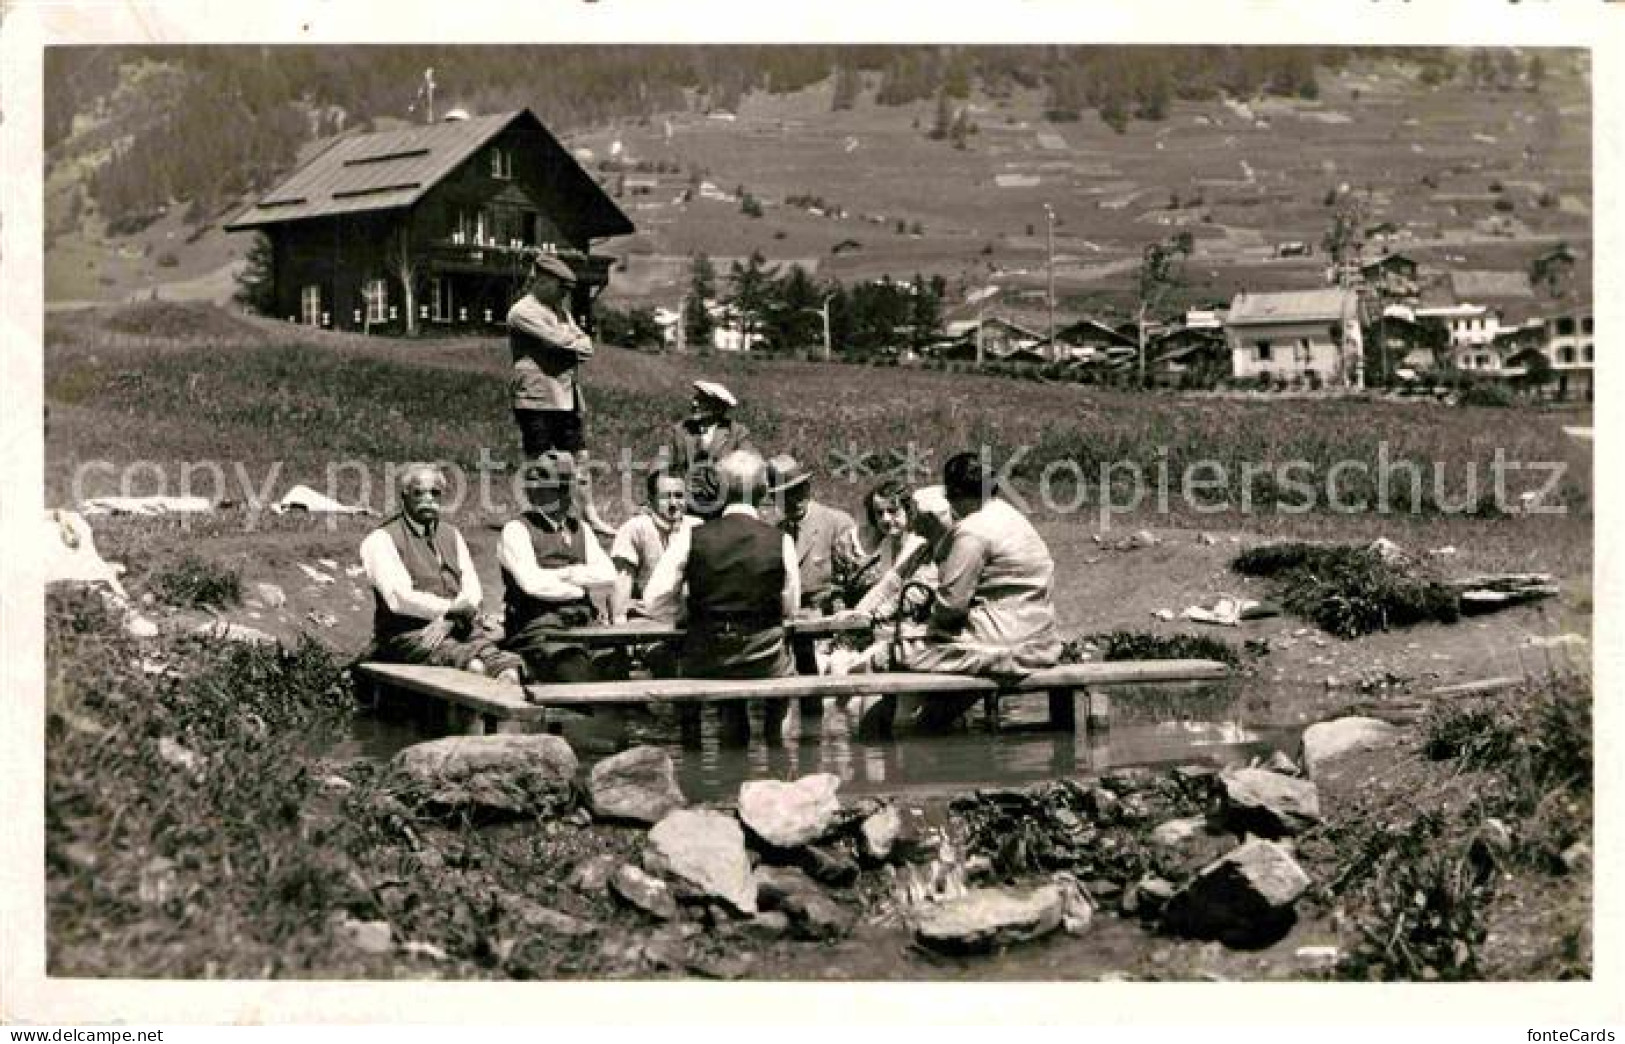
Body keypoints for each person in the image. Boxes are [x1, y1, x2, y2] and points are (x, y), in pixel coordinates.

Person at [849, 452, 1062, 733]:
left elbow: (950, 607)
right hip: (1040, 641)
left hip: (1001, 646)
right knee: (907, 657)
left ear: (953, 494)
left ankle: (891, 752)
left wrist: (922, 632)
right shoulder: (1014, 518)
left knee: (886, 656)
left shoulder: (972, 531)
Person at [642, 449, 800, 744]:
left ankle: (699, 767)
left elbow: (654, 600)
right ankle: (778, 754)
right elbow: (791, 607)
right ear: (764, 491)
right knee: (786, 671)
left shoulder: (691, 536)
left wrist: (684, 612)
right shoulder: (781, 540)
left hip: (707, 656)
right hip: (762, 658)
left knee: (698, 671)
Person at [360, 463, 524, 682]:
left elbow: (472, 590)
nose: (428, 499)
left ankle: (491, 713)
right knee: (473, 667)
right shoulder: (382, 539)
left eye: (435, 493)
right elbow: (399, 599)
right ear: (404, 497)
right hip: (411, 635)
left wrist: (452, 619)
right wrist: (451, 611)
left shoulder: (451, 534)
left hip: (458, 628)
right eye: (419, 493)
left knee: (508, 669)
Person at [506, 251, 613, 536]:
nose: (565, 295)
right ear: (542, 281)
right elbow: (558, 342)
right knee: (540, 461)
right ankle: (538, 517)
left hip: (566, 397)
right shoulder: (522, 312)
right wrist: (573, 339)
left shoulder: (560, 312)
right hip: (536, 397)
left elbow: (587, 346)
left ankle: (590, 514)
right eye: (560, 288)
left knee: (579, 457)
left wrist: (573, 339)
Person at [497, 451, 618, 686]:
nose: (566, 496)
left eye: (568, 488)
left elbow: (608, 575)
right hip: (537, 631)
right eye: (557, 489)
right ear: (536, 493)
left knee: (618, 665)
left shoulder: (580, 529)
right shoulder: (517, 530)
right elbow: (532, 584)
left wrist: (566, 574)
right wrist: (579, 587)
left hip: (584, 626)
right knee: (578, 672)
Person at [607, 468, 691, 624]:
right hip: (647, 619)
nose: (673, 503)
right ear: (651, 499)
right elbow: (621, 587)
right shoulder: (635, 529)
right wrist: (620, 626)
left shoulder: (696, 528)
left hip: (687, 620)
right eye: (665, 497)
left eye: (679, 496)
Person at [664, 380, 751, 521]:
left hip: (722, 505)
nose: (694, 404)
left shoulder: (736, 432)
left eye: (701, 400)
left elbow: (750, 466)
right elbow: (662, 463)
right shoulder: (681, 431)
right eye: (695, 399)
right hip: (686, 504)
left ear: (718, 408)